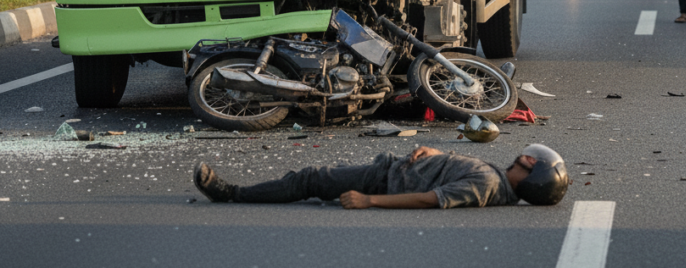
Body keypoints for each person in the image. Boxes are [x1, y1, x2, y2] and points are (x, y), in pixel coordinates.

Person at [193, 143, 569, 208]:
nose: (526, 158)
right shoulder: (494, 180)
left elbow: (431, 200)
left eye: (531, 164)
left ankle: (232, 194)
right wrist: (437, 154)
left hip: (384, 181)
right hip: (392, 170)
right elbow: (447, 177)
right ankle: (236, 192)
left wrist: (369, 200)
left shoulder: (487, 186)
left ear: (531, 178)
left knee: (309, 179)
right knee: (311, 178)